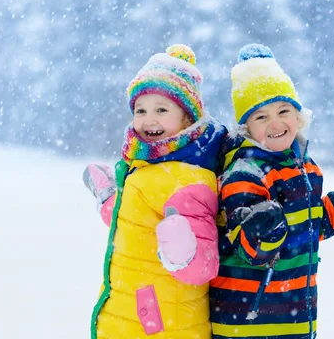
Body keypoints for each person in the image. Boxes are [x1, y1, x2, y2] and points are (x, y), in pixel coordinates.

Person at [209, 44, 334, 339]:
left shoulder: (306, 169)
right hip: (248, 322)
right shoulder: (245, 172)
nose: (276, 123)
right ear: (246, 127)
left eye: (283, 111)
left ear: (298, 116)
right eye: (261, 117)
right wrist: (266, 230)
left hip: (295, 319)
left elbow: (314, 223)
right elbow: (249, 250)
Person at [82, 44, 226, 339]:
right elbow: (138, 222)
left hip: (163, 325)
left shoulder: (188, 179)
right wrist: (111, 198)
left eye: (162, 109)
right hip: (127, 317)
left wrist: (184, 253)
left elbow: (205, 266)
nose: (149, 119)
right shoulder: (144, 166)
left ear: (187, 118)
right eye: (141, 110)